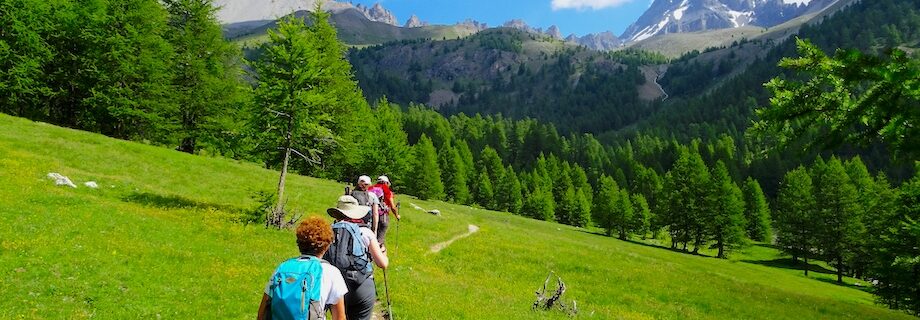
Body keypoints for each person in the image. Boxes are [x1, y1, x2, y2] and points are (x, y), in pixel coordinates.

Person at [258, 217, 348, 320]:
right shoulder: (331, 272)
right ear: (326, 246)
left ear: (299, 243)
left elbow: (262, 313)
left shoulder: (282, 268)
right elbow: (339, 317)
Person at [324, 195, 389, 320]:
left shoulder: (328, 231)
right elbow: (382, 263)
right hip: (362, 286)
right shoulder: (365, 232)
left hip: (335, 286)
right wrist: (385, 255)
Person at [372, 175, 401, 245]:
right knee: (380, 239)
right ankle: (378, 253)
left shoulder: (372, 189)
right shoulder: (387, 192)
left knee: (372, 237)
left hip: (371, 215)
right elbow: (392, 207)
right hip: (383, 216)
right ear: (386, 183)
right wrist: (397, 215)